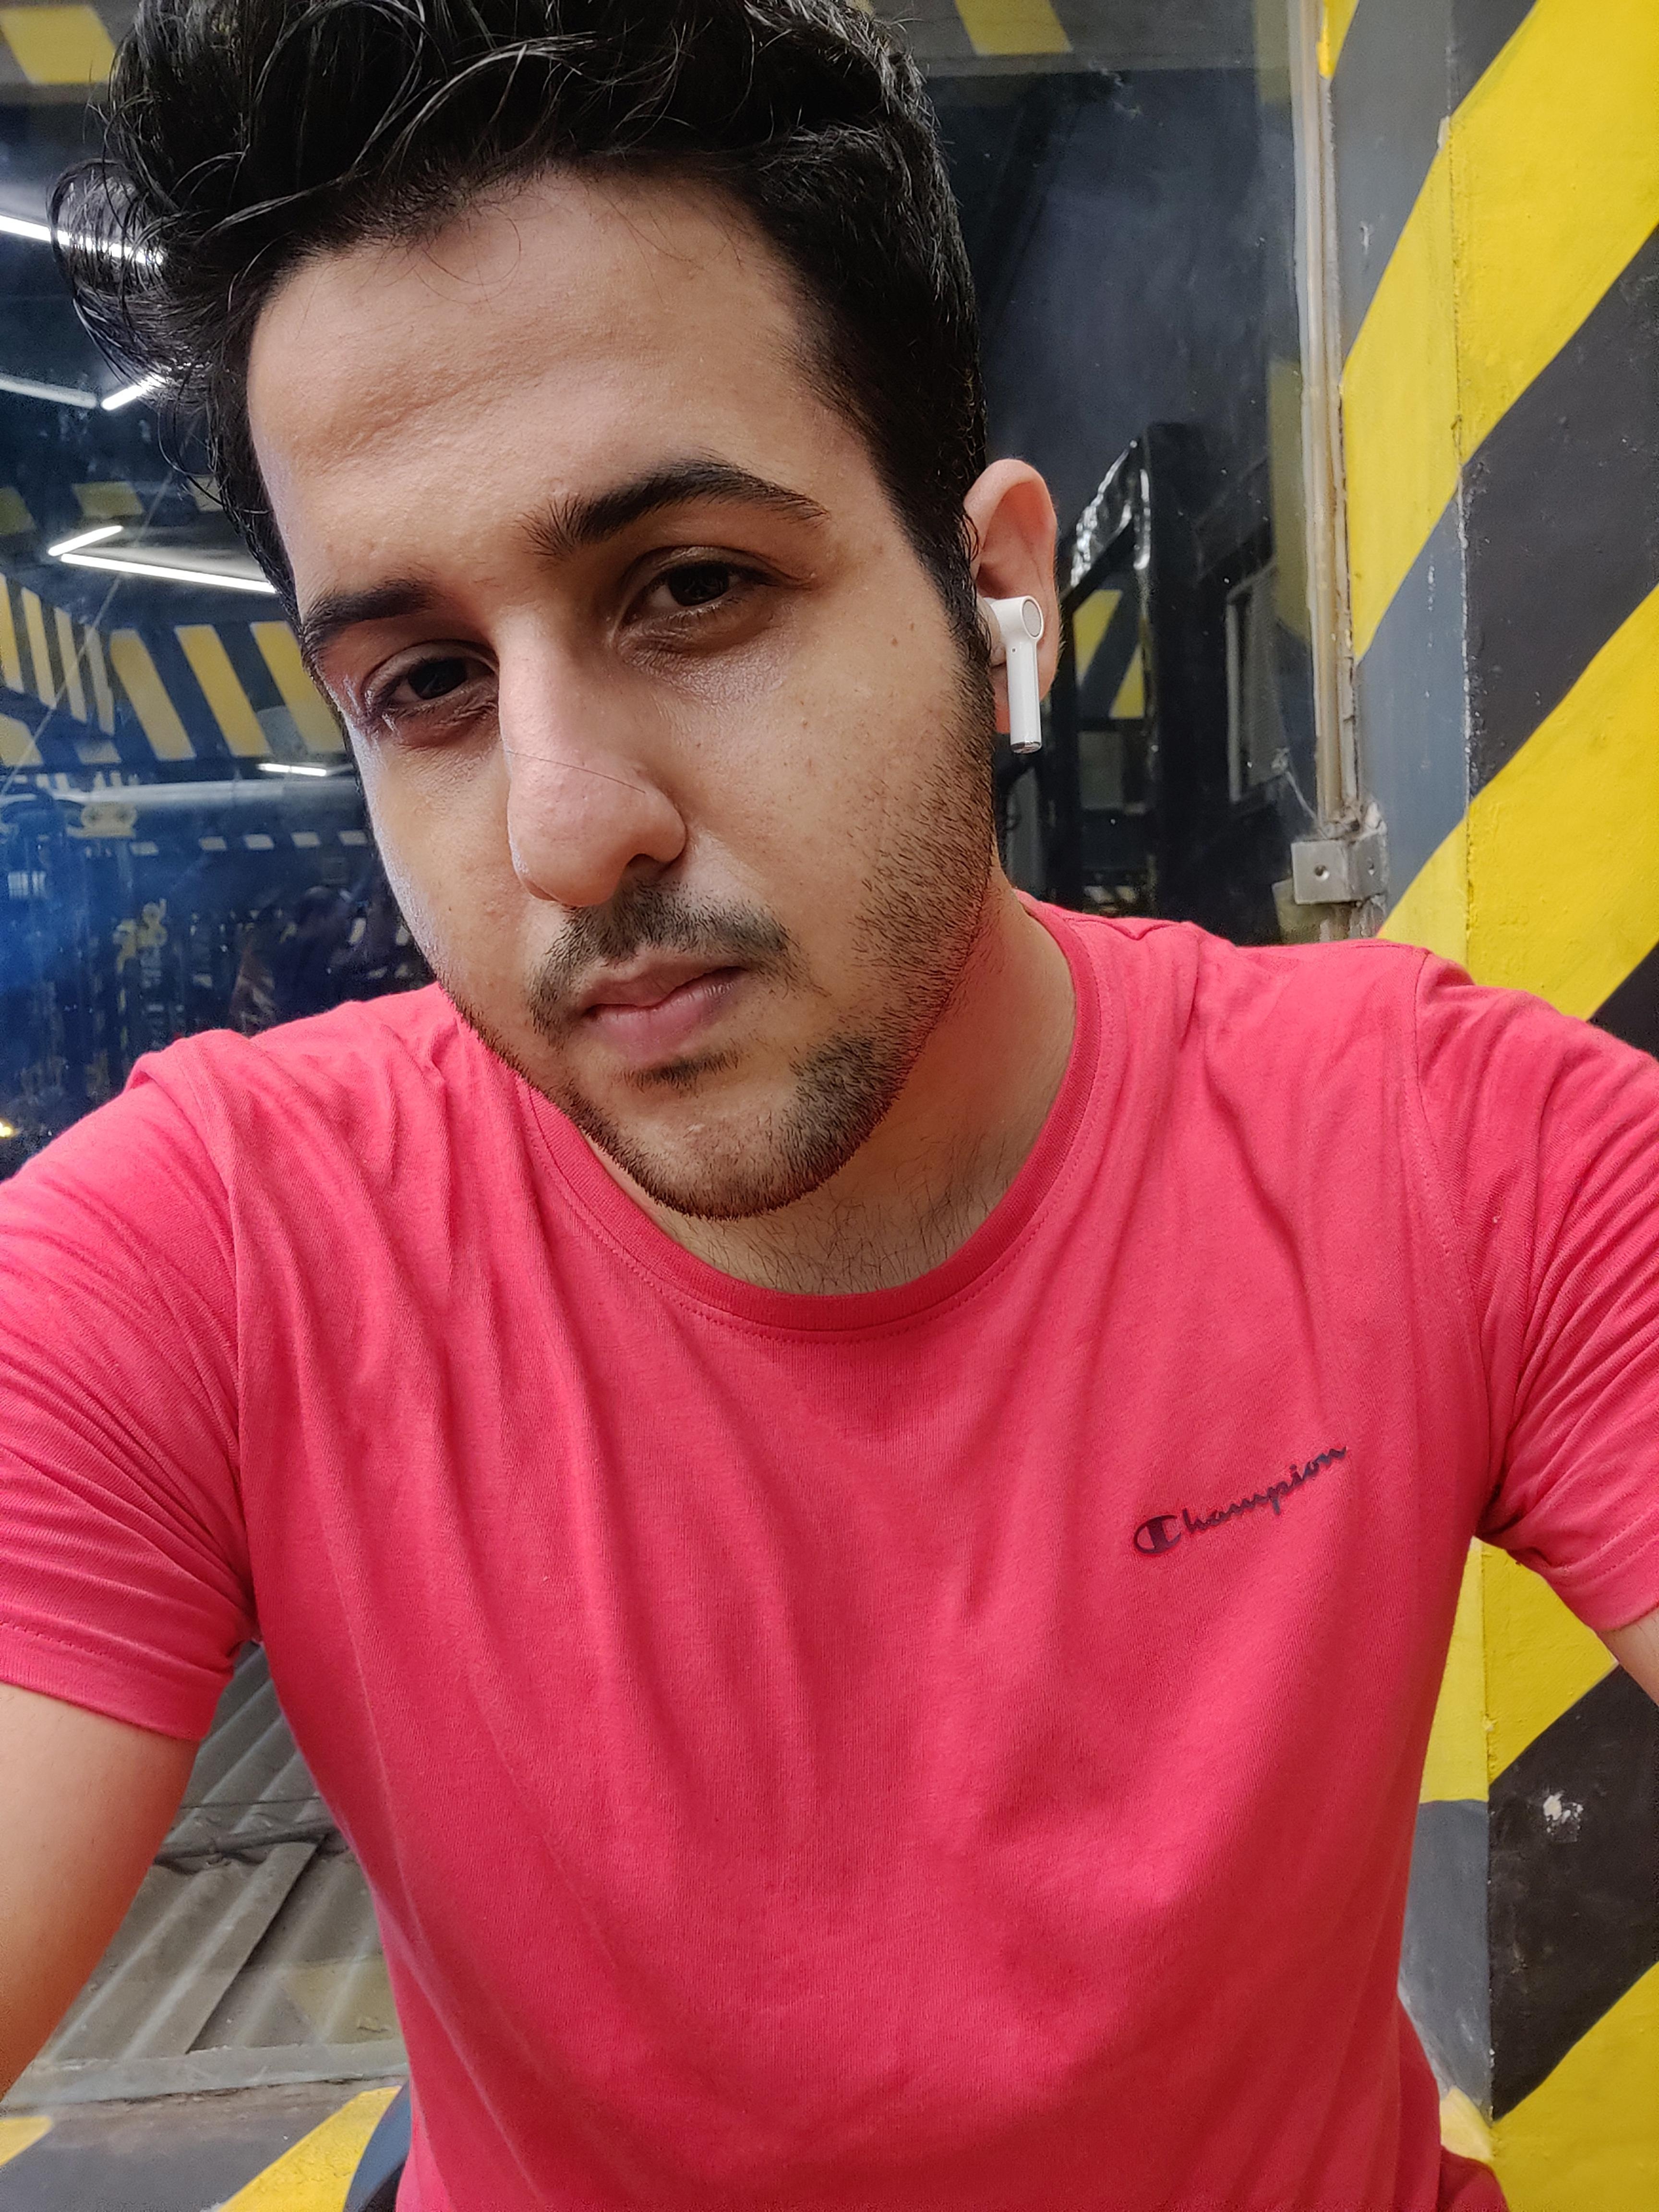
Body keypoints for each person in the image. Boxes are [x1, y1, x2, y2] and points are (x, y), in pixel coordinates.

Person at [2, 3, 1656, 2206]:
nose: (565, 832)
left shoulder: (1451, 1157)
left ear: (997, 594)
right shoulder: (204, 1253)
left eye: (691, 587)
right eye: (426, 683)